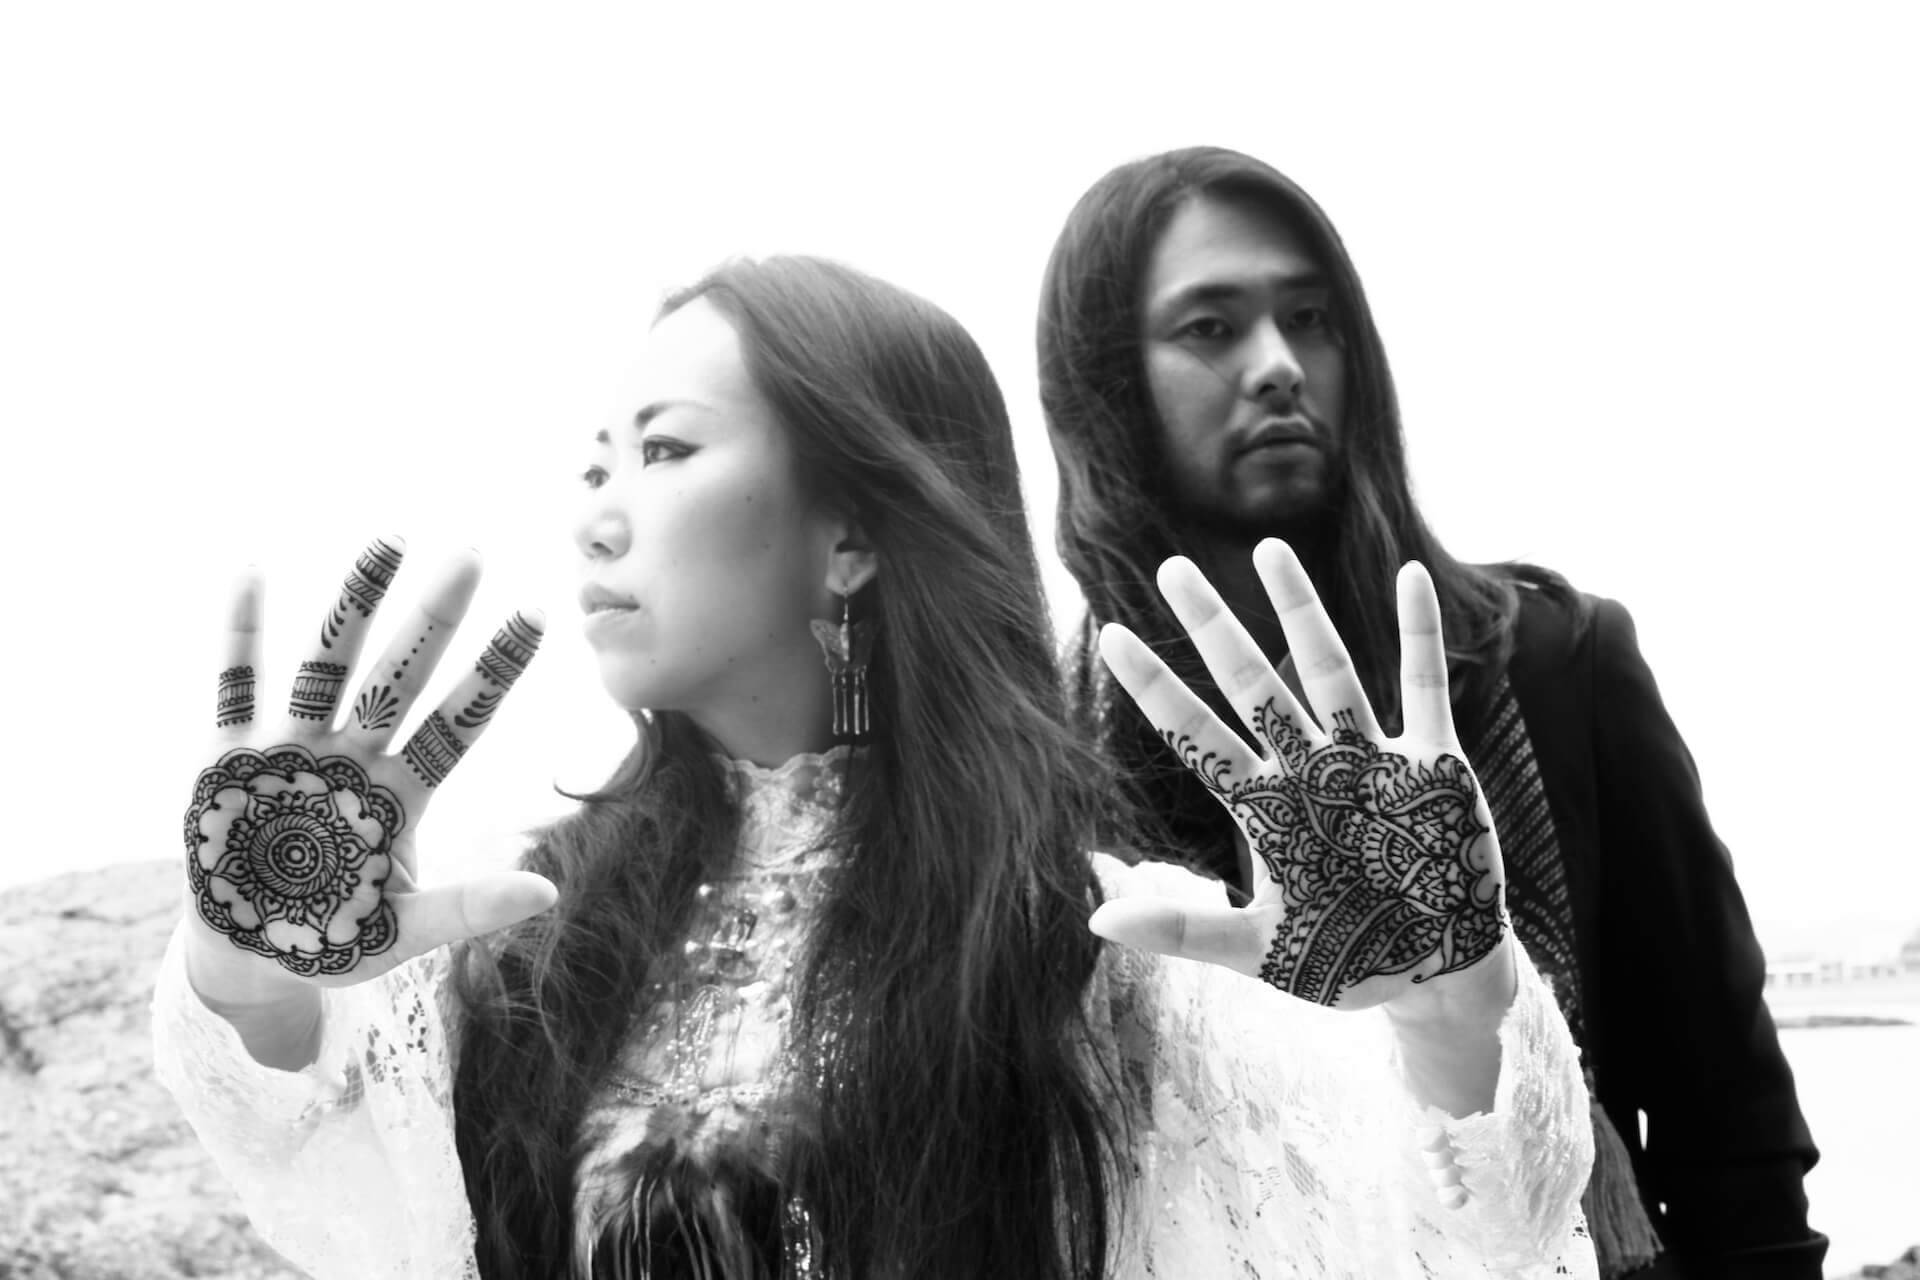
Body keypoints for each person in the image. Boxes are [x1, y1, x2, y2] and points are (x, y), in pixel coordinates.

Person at [154, 255, 1595, 1279]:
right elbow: (312, 1145)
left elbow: (1465, 1220)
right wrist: (253, 961)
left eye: (664, 451)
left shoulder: (1097, 954)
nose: (597, 515)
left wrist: (1451, 996)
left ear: (850, 532)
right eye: (594, 466)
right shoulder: (528, 932)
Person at [1036, 146, 1824, 1280]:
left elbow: (1731, 1125)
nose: (1278, 365)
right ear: (1104, 384)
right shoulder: (1054, 758)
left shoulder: (1552, 666)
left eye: (1312, 318)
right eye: (1210, 326)